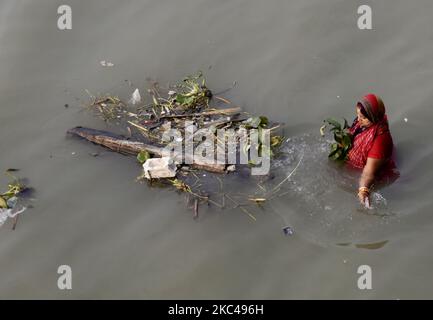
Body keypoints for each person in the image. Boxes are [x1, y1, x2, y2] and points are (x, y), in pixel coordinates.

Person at [346, 94, 398, 206]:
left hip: (378, 173)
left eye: (363, 117)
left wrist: (363, 190)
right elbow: (353, 132)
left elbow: (368, 172)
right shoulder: (363, 121)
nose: (358, 120)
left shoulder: (380, 140)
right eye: (357, 115)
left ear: (374, 117)